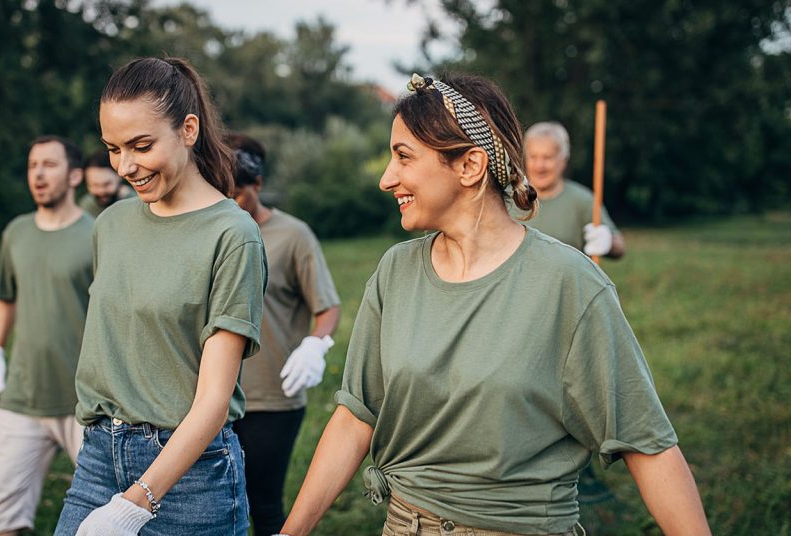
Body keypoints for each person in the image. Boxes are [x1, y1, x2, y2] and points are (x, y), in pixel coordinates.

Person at [279, 74, 711, 536]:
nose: (387, 179)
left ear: (470, 167)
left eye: (403, 157)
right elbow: (355, 417)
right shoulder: (395, 272)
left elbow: (649, 446)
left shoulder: (572, 284)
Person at [53, 57, 267, 536]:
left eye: (141, 145)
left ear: (188, 129)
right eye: (113, 149)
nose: (125, 166)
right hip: (98, 457)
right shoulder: (110, 225)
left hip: (192, 475)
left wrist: (135, 504)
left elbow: (214, 399)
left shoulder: (234, 235)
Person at [223, 132, 341, 536]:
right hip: (212, 397)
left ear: (256, 185)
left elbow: (327, 307)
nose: (229, 202)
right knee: (215, 505)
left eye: (237, 193)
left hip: (271, 399)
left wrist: (316, 343)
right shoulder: (210, 232)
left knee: (264, 504)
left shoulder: (294, 236)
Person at [0, 136, 93, 536]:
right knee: (0, 518)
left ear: (75, 175)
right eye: (32, 165)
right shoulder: (16, 232)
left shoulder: (97, 235)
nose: (38, 174)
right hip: (22, 397)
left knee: (110, 515)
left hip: (86, 402)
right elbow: (4, 297)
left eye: (49, 164)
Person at [521, 121, 625, 258]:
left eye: (547, 157)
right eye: (533, 157)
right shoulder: (510, 200)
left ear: (563, 160)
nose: (540, 166)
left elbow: (620, 248)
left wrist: (608, 242)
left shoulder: (582, 200)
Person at [78, 150, 132, 217]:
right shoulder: (86, 206)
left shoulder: (136, 202)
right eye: (95, 185)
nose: (101, 191)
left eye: (106, 184)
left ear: (119, 176)